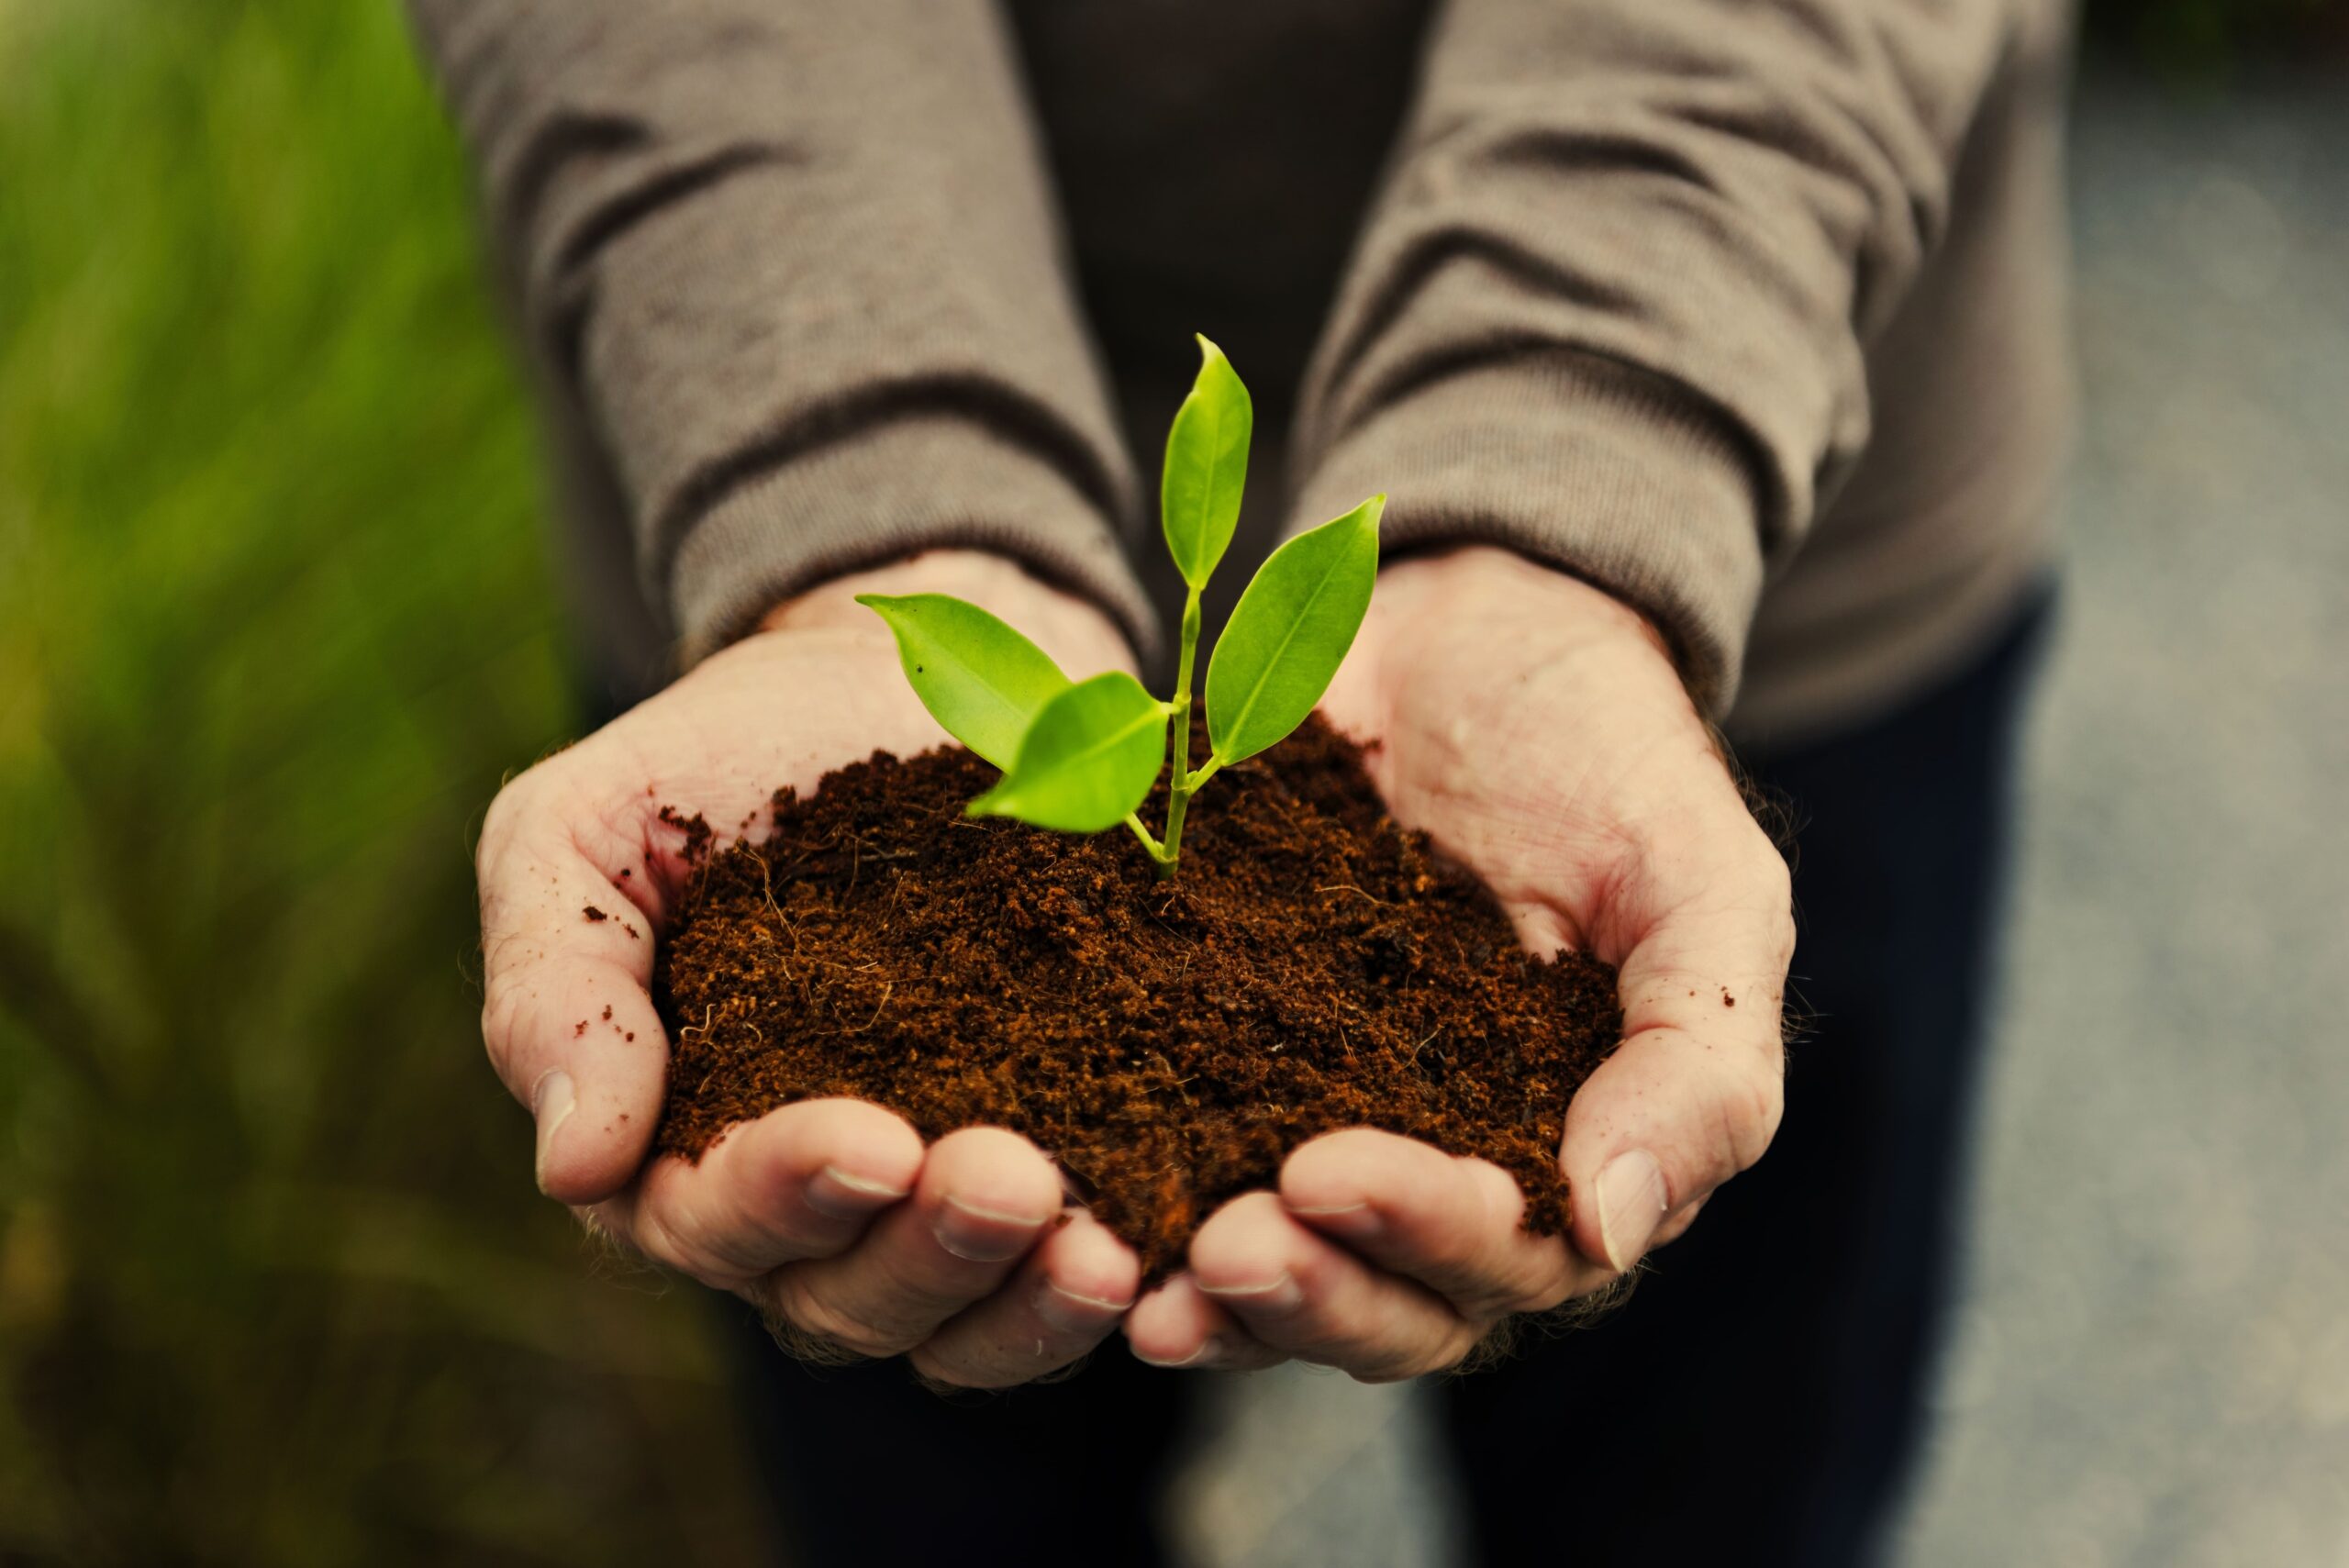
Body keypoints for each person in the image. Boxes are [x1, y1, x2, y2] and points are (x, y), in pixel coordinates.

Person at [420, 1, 2071, 1562]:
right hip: (765, 520)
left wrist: (1587, 443)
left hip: (1737, 484)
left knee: (1712, 1488)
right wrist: (845, 467)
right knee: (929, 1475)